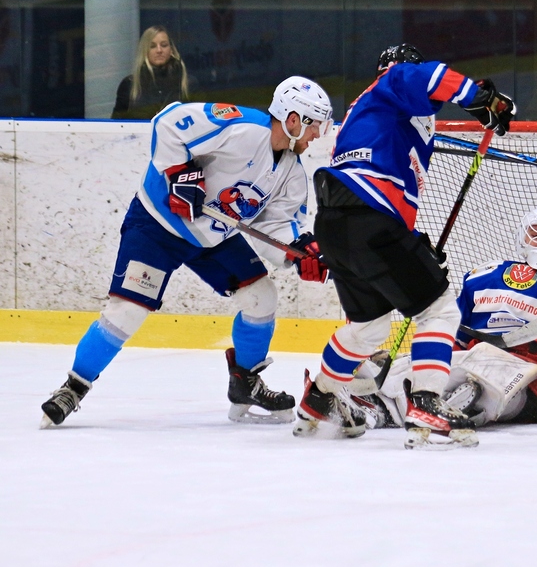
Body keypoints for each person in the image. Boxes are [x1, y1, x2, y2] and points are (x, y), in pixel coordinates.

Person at [40, 76, 334, 428]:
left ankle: (245, 382)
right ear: (293, 120)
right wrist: (180, 173)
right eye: (315, 126)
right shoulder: (240, 127)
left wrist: (299, 252)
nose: (317, 135)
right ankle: (73, 387)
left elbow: (278, 225)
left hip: (215, 238)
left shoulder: (292, 174)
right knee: (127, 312)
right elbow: (168, 121)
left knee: (261, 297)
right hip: (157, 227)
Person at [293, 43, 516, 449]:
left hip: (338, 224)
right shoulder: (394, 81)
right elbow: (423, 76)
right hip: (368, 217)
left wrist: (410, 244)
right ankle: (427, 402)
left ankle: (320, 397)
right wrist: (480, 98)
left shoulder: (380, 114)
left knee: (369, 326)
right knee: (439, 309)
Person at [348, 205, 537, 430]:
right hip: (474, 357)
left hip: (533, 373)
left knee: (492, 382)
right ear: (521, 237)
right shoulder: (483, 276)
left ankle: (463, 403)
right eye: (536, 232)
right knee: (416, 370)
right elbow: (454, 336)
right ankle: (376, 404)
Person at [112, 26, 192, 120]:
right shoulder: (129, 84)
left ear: (171, 50)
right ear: (145, 51)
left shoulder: (187, 83)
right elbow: (116, 124)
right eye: (152, 46)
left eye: (164, 45)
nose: (159, 50)